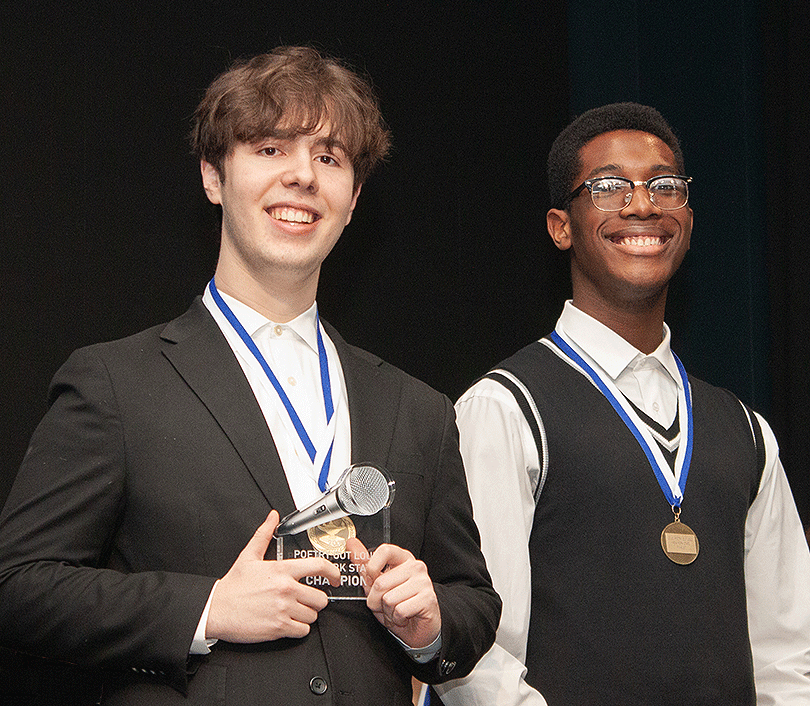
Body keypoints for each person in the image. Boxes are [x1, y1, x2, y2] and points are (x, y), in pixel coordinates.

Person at [0, 46, 500, 705]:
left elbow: (473, 603)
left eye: (329, 157)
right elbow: (18, 585)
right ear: (213, 176)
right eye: (269, 149)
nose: (302, 176)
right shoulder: (116, 382)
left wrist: (429, 623)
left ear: (352, 201)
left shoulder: (419, 409)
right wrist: (208, 608)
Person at [436, 103, 810, 705]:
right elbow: (478, 651)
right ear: (561, 226)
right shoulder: (505, 407)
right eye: (609, 187)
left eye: (665, 185)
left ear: (687, 215)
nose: (643, 205)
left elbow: (789, 655)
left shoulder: (746, 431)